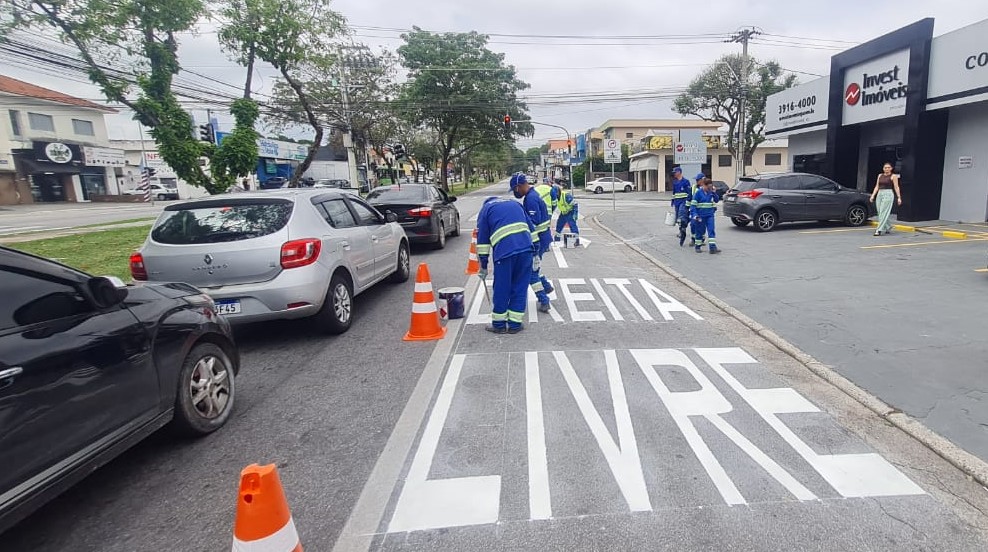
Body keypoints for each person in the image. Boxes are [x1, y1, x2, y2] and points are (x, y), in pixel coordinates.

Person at [476, 197, 536, 334]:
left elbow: (483, 241)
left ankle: (499, 324)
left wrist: (483, 265)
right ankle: (515, 325)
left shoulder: (486, 210)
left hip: (505, 253)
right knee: (520, 287)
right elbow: (531, 229)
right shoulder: (516, 204)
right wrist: (536, 252)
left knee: (502, 288)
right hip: (526, 250)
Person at [510, 173, 553, 313]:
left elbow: (533, 223)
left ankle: (544, 300)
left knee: (530, 271)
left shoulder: (531, 199)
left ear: (519, 186)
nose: (515, 193)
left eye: (515, 189)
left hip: (538, 240)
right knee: (534, 266)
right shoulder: (531, 196)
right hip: (542, 238)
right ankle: (545, 286)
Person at [870, 162, 902, 236]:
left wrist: (899, 197)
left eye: (888, 167)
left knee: (883, 212)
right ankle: (888, 226)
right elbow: (877, 186)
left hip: (888, 193)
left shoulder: (893, 176)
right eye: (885, 167)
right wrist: (873, 195)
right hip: (880, 194)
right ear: (883, 168)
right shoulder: (880, 175)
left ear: (891, 168)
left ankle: (879, 230)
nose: (887, 169)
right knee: (880, 212)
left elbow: (896, 187)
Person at [691, 177, 721, 254]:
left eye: (710, 187)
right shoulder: (698, 193)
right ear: (703, 185)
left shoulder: (710, 192)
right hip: (700, 216)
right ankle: (697, 246)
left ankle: (712, 247)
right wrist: (695, 215)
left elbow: (717, 200)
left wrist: (714, 192)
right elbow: (693, 206)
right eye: (708, 187)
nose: (709, 189)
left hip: (710, 215)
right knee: (699, 231)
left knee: (711, 230)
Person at [671, 168, 692, 246]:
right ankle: (681, 230)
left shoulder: (686, 182)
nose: (674, 174)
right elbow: (674, 192)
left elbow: (689, 192)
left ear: (679, 172)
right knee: (678, 218)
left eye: (675, 172)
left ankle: (683, 229)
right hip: (677, 202)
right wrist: (673, 201)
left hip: (683, 202)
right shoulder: (675, 182)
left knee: (682, 216)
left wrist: (688, 202)